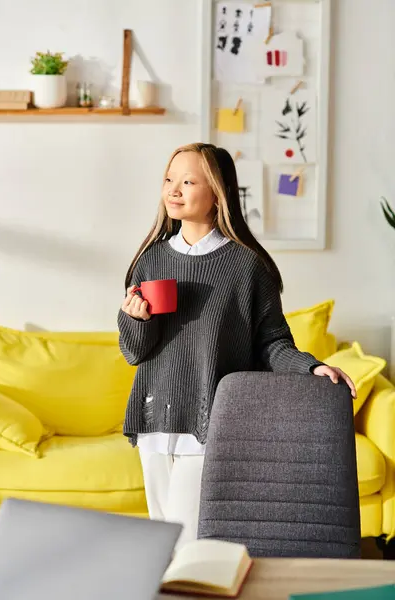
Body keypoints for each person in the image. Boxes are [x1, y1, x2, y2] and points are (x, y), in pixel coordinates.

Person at [117, 142, 356, 547]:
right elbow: (134, 352)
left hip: (213, 426)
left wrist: (310, 367)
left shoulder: (247, 266)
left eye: (188, 181)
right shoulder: (151, 259)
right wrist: (134, 319)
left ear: (218, 193)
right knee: (160, 545)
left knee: (189, 546)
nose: (174, 190)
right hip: (154, 423)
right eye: (169, 179)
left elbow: (272, 342)